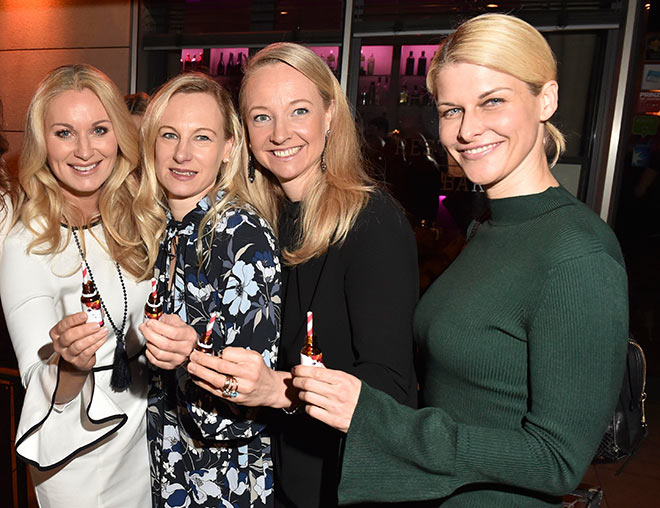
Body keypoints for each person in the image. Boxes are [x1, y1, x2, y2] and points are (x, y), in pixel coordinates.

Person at [291, 13, 629, 507]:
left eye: (493, 101)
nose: (468, 130)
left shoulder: (576, 254)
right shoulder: (489, 226)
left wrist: (375, 416)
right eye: (451, 110)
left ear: (547, 100)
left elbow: (557, 462)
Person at [186, 42, 419, 507]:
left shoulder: (371, 222)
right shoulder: (262, 224)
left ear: (330, 115)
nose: (280, 133)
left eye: (299, 110)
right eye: (261, 117)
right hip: (282, 477)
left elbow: (390, 390)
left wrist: (281, 390)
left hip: (342, 486)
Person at [0, 64, 162, 506]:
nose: (85, 149)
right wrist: (70, 365)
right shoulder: (27, 239)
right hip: (80, 455)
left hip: (152, 437)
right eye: (64, 133)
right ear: (42, 143)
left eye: (99, 129)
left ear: (119, 135)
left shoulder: (141, 215)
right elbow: (38, 377)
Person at [139, 72, 281, 507]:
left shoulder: (242, 236)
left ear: (228, 148)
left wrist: (190, 356)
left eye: (202, 137)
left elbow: (248, 405)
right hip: (169, 467)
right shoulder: (159, 226)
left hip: (224, 483)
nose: (182, 153)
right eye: (169, 135)